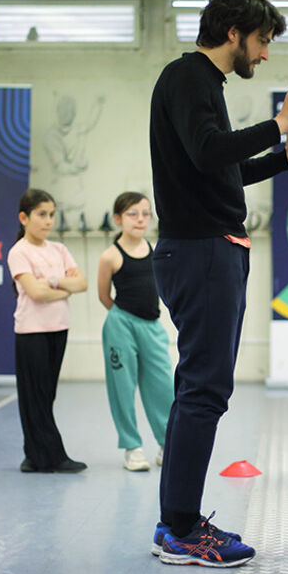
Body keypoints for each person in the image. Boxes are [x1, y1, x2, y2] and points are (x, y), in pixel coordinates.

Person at [148, 0, 288, 568]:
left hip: (206, 251)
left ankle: (174, 526)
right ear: (235, 33)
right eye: (263, 41)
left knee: (198, 388)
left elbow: (220, 168)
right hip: (201, 254)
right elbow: (211, 150)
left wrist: (282, 157)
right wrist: (277, 123)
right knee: (205, 391)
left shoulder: (199, 84)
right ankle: (184, 530)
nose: (264, 54)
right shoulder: (188, 77)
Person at [7, 188, 88, 474]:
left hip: (58, 328)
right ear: (24, 218)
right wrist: (62, 288)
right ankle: (52, 456)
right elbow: (34, 293)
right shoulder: (19, 253)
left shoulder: (59, 250)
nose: (48, 221)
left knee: (47, 394)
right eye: (41, 214)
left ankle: (34, 456)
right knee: (35, 396)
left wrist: (52, 281)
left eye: (51, 215)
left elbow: (81, 284)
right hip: (32, 332)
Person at [96, 192, 173, 472]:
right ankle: (132, 447)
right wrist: (122, 319)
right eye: (132, 214)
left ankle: (167, 444)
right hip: (121, 324)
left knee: (163, 387)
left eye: (145, 213)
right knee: (123, 387)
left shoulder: (157, 250)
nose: (140, 219)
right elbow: (104, 295)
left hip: (152, 326)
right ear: (118, 219)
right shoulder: (110, 256)